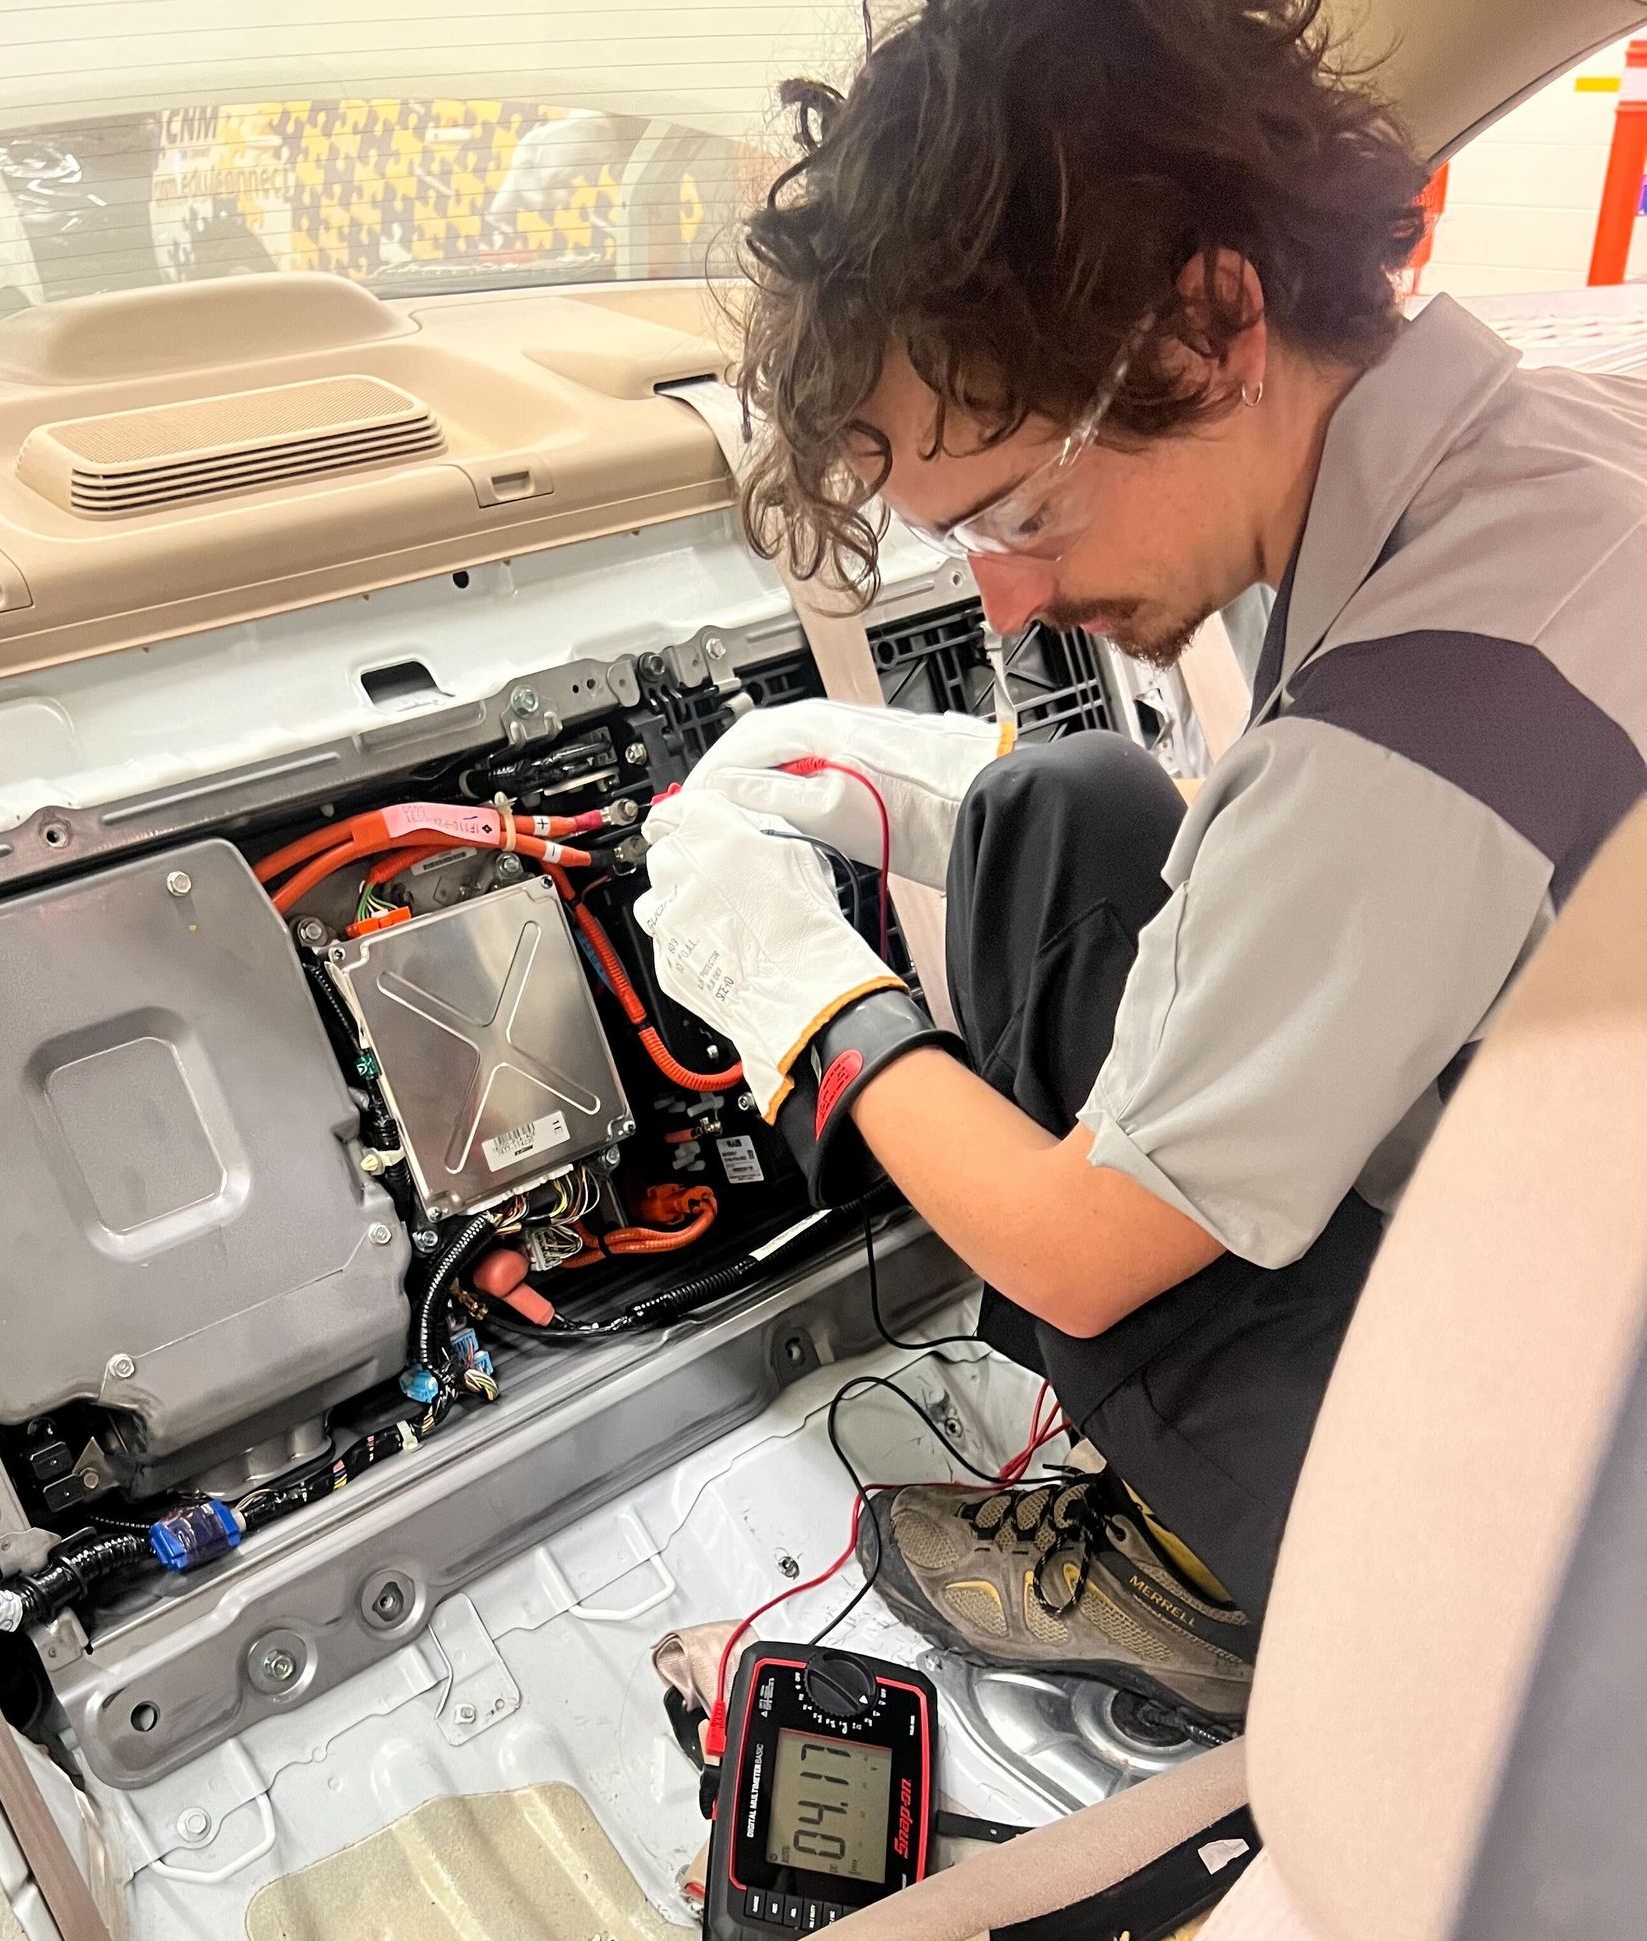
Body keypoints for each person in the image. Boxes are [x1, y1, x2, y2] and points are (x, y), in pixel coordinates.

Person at [635, 0, 1647, 1723]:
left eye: (1020, 516)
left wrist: (804, 999)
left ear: (1214, 315)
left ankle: (1245, 1593)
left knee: (1096, 1229)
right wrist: (947, 794)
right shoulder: (1559, 460)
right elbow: (1311, 871)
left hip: (1577, 1523)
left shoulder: (1415, 736)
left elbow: (1073, 1251)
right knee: (1075, 805)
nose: (1006, 602)